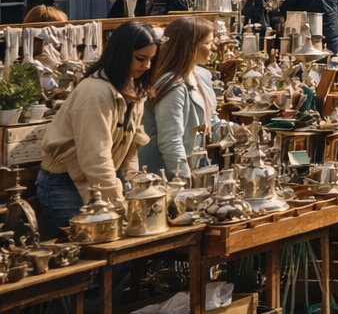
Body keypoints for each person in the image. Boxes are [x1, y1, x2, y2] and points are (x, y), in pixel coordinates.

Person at [37, 21, 157, 236]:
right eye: (141, 58)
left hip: (100, 179)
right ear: (122, 54)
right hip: (64, 183)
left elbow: (132, 145)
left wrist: (133, 185)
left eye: (151, 59)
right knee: (85, 255)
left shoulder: (132, 88)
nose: (147, 65)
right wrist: (119, 203)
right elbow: (95, 156)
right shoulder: (96, 93)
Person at [139, 16, 216, 179]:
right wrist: (184, 182)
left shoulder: (201, 76)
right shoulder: (172, 86)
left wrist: (234, 131)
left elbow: (202, 125)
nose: (213, 47)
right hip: (163, 177)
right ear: (190, 46)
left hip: (191, 167)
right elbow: (171, 141)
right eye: (207, 43)